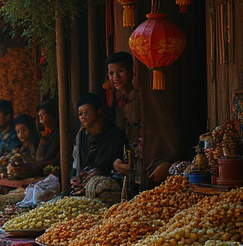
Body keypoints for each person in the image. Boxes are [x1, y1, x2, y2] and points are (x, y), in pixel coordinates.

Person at [107, 50, 180, 188]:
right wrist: (117, 161)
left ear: (131, 71)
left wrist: (168, 162)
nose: (115, 77)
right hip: (134, 167)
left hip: (152, 163)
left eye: (120, 71)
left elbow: (162, 131)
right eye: (111, 73)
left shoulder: (146, 100)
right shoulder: (118, 102)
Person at [72, 92, 128, 193]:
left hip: (106, 185)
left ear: (99, 111)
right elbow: (78, 165)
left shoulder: (114, 135)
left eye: (87, 112)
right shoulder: (82, 136)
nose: (82, 117)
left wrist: (100, 172)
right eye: (80, 114)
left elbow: (117, 166)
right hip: (85, 184)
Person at [33, 100, 60, 170]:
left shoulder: (58, 134)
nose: (40, 118)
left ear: (51, 115)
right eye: (39, 115)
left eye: (43, 114)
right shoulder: (44, 135)